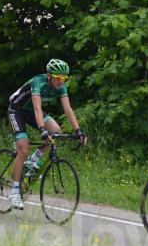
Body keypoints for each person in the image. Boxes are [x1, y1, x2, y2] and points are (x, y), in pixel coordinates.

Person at [6, 58, 87, 209]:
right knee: (23, 148)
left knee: (56, 132)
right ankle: (15, 192)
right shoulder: (38, 82)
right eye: (58, 78)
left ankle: (33, 159)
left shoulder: (61, 87)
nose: (61, 81)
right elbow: (37, 108)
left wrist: (78, 131)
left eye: (64, 78)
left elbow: (68, 109)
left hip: (31, 112)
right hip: (16, 111)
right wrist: (42, 130)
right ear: (49, 75)